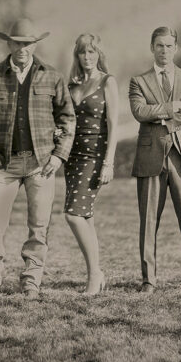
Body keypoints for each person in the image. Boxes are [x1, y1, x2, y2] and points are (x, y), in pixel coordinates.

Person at [0, 19, 75, 301]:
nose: (22, 48)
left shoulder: (52, 76)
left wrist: (59, 155)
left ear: (35, 45)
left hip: (41, 164)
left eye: (28, 43)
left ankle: (31, 283)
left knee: (39, 227)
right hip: (5, 165)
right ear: (9, 44)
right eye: (17, 42)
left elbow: (67, 118)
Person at [129, 25, 181, 294]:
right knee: (148, 221)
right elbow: (140, 112)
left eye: (169, 46)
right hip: (150, 156)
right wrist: (174, 107)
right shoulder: (138, 81)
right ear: (151, 47)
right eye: (159, 45)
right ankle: (148, 280)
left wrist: (164, 117)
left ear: (176, 48)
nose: (164, 50)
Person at [64, 33, 119, 296]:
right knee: (85, 216)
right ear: (77, 55)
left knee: (72, 215)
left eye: (92, 52)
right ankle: (95, 275)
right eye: (83, 53)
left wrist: (109, 163)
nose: (87, 57)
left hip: (95, 157)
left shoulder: (108, 82)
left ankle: (95, 275)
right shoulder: (71, 86)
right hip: (71, 158)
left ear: (99, 55)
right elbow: (64, 122)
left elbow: (114, 126)